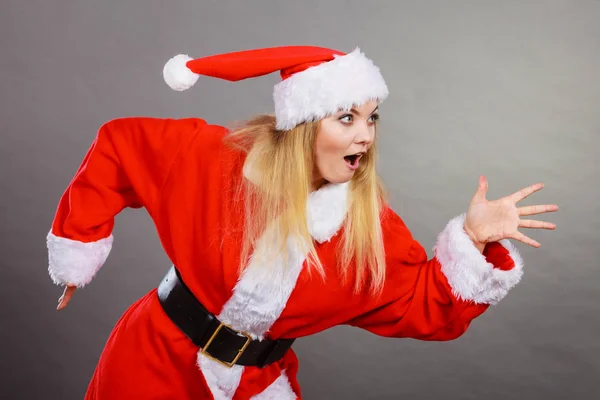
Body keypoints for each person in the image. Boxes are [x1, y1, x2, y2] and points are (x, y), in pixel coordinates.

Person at [46, 45, 558, 399]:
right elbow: (120, 145)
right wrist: (78, 247)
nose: (366, 136)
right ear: (303, 125)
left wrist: (472, 240)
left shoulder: (366, 228)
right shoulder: (213, 160)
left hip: (253, 383)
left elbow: (418, 303)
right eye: (347, 118)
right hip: (152, 361)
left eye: (372, 117)